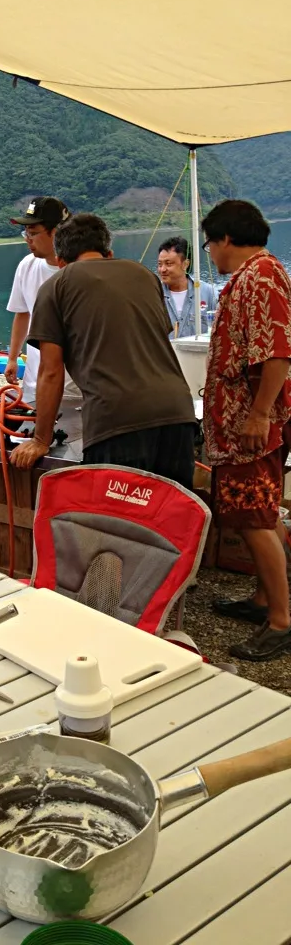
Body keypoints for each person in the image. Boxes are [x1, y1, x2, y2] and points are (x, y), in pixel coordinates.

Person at [10, 213, 196, 485]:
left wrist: (40, 439)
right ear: (109, 253)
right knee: (168, 517)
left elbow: (51, 372)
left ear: (61, 262)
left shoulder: (55, 286)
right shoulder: (144, 275)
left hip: (116, 422)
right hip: (177, 413)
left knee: (118, 521)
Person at [201, 200, 291, 661]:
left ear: (226, 239)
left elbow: (276, 352)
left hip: (250, 425)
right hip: (243, 421)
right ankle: (265, 599)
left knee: (255, 517)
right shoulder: (257, 275)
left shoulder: (260, 276)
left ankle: (281, 621)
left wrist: (259, 414)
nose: (210, 254)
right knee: (263, 511)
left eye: (210, 244)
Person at [4, 197, 81, 405]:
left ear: (56, 233)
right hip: (35, 383)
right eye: (25, 233)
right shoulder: (26, 266)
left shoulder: (81, 271)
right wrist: (12, 357)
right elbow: (22, 313)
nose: (27, 239)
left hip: (75, 387)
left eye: (33, 233)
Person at [157, 236, 216, 338]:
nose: (162, 269)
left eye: (168, 264)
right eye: (159, 264)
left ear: (185, 264)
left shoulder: (208, 293)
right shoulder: (154, 295)